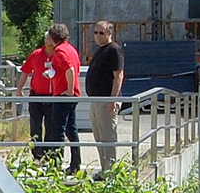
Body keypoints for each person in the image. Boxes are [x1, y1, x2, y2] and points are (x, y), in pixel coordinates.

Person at [19, 23, 82, 174]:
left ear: (53, 38)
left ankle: (55, 165)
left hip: (63, 95)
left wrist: (68, 90)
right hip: (63, 94)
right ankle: (75, 163)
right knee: (71, 130)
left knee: (57, 131)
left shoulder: (60, 50)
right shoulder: (71, 49)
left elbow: (70, 70)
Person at [85, 21, 125, 178]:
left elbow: (119, 75)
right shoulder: (100, 51)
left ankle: (111, 173)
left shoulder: (114, 50)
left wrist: (112, 99)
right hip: (96, 100)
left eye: (101, 33)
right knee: (99, 137)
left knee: (108, 137)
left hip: (106, 100)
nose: (97, 36)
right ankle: (104, 170)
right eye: (95, 32)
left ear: (109, 34)